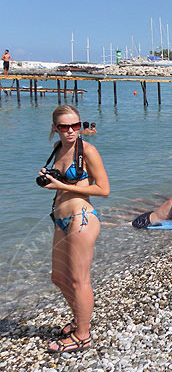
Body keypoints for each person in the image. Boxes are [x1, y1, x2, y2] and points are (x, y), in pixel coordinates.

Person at [39, 105, 110, 353]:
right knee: (58, 277)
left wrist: (63, 185)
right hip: (60, 219)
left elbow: (103, 190)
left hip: (82, 219)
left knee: (80, 280)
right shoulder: (57, 149)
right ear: (55, 128)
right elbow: (62, 183)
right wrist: (51, 181)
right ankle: (80, 319)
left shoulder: (88, 151)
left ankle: (83, 334)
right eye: (65, 127)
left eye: (76, 126)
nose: (71, 131)